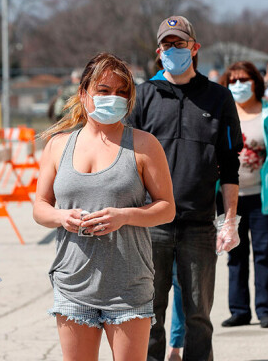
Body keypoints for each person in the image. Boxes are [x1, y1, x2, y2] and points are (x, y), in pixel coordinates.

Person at [33, 53, 176, 361]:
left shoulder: (144, 144)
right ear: (84, 94)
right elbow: (40, 208)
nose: (115, 98)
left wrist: (124, 216)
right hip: (72, 282)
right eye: (105, 90)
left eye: (123, 92)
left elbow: (167, 208)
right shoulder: (59, 145)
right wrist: (61, 216)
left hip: (128, 284)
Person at [127, 15, 243, 361]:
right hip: (151, 225)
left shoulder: (218, 98)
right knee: (148, 314)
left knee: (198, 316)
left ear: (195, 48)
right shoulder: (143, 97)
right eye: (167, 44)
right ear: (158, 50)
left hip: (199, 224)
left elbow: (230, 165)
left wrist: (231, 221)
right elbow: (126, 162)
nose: (173, 49)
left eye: (180, 43)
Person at [218, 61, 268, 329]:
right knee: (235, 254)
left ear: (256, 82)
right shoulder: (222, 114)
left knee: (264, 254)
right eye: (233, 80)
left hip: (264, 198)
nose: (238, 85)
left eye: (244, 80)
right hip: (228, 201)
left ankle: (265, 309)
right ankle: (239, 310)